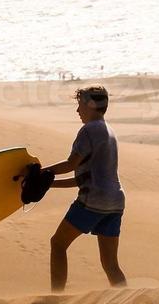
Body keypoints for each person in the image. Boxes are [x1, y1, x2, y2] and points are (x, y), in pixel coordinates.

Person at [40, 86, 127, 291]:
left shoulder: (89, 130)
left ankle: (57, 298)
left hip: (93, 201)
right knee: (110, 264)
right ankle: (127, 299)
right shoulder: (109, 131)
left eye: (79, 105)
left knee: (58, 244)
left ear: (90, 105)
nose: (77, 111)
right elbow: (82, 180)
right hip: (115, 202)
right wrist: (49, 183)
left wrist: (40, 174)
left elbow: (71, 164)